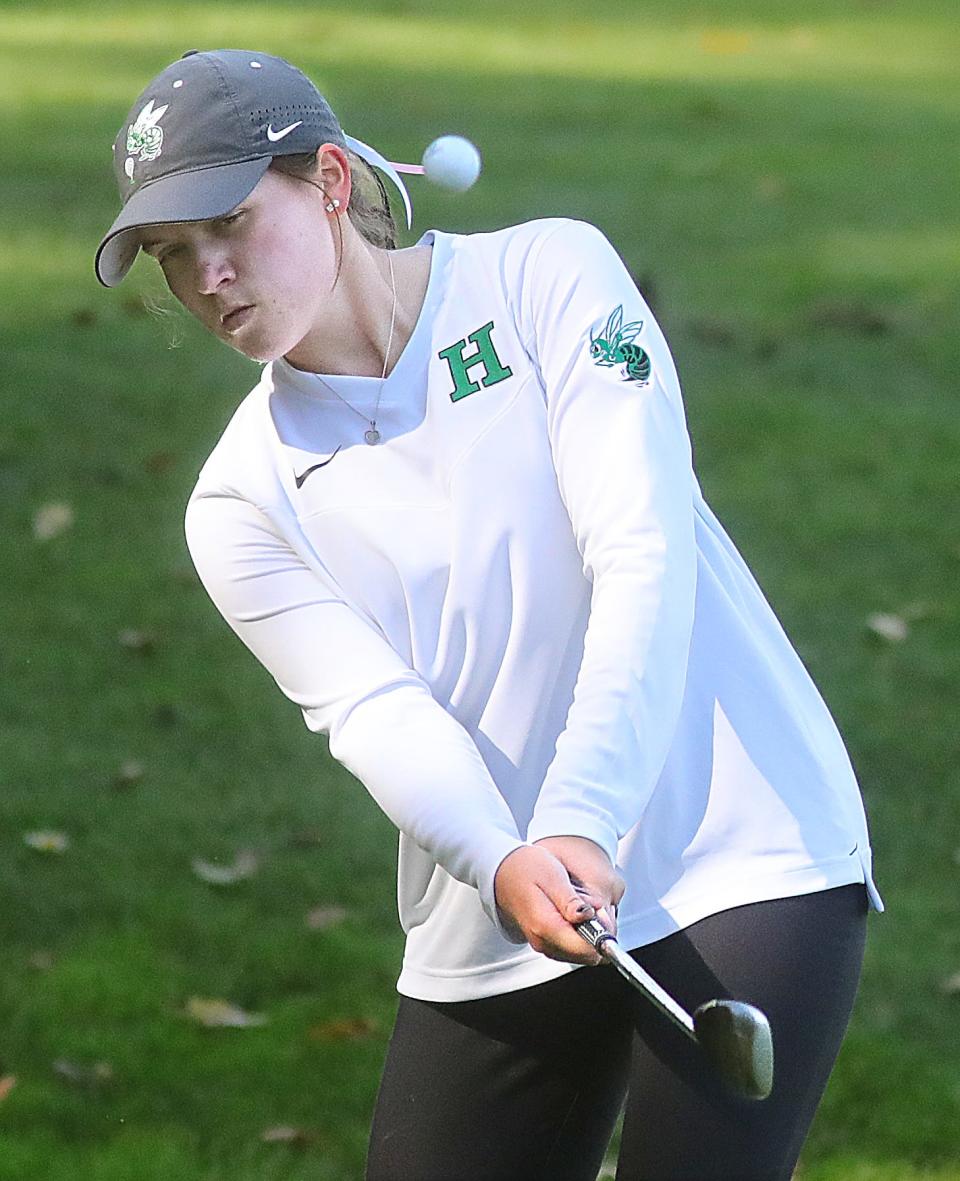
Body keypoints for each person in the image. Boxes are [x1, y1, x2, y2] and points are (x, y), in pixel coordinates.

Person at [97, 49, 883, 1181]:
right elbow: (375, 713)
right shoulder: (238, 500)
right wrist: (507, 851)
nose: (208, 274)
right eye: (174, 254)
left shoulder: (548, 276)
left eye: (226, 223)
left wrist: (579, 814)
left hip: (743, 846)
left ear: (327, 180)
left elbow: (639, 550)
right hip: (503, 896)